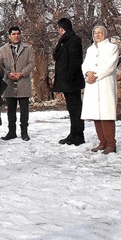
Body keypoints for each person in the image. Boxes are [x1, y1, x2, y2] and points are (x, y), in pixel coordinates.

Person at [82, 25, 121, 154]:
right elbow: (85, 64)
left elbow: (110, 66)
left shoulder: (112, 48)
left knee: (106, 114)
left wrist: (96, 76)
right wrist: (88, 73)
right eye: (95, 33)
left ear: (105, 34)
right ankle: (102, 142)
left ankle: (111, 143)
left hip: (104, 83)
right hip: (92, 84)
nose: (97, 35)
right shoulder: (90, 49)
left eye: (100, 32)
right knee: (95, 114)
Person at [0, 26, 35, 141]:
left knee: (24, 110)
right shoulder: (3, 49)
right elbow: (0, 65)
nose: (16, 36)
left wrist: (22, 73)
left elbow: (31, 63)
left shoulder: (28, 48)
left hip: (23, 82)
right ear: (9, 36)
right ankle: (11, 131)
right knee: (11, 110)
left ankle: (24, 132)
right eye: (13, 34)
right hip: (9, 83)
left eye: (18, 33)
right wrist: (8, 74)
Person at [52, 18, 86, 146]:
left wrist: (69, 78)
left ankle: (78, 135)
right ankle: (73, 133)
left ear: (61, 28)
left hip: (71, 81)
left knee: (76, 108)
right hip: (67, 81)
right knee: (71, 108)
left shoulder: (73, 40)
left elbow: (75, 61)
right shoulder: (66, 40)